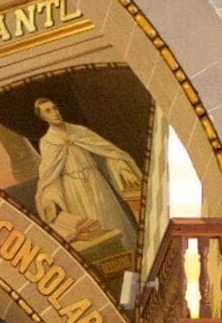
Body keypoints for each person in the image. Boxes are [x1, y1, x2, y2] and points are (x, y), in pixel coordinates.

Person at [27, 96, 149, 267]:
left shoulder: (79, 131)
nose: (54, 113)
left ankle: (134, 263)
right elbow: (49, 176)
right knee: (94, 232)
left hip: (97, 184)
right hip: (74, 192)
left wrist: (123, 169)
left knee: (112, 222)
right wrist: (50, 199)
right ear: (42, 117)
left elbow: (107, 153)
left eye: (55, 108)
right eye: (48, 111)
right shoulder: (47, 142)